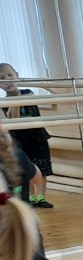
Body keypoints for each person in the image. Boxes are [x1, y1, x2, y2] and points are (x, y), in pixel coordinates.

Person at [0, 64, 53, 209]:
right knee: (25, 169)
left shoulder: (28, 92)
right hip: (19, 139)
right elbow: (13, 117)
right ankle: (29, 196)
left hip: (37, 137)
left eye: (10, 75)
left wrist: (19, 98)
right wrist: (15, 102)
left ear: (17, 75)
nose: (7, 80)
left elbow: (30, 101)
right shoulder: (4, 102)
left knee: (42, 168)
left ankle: (41, 197)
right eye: (2, 78)